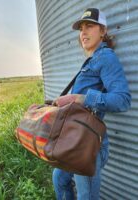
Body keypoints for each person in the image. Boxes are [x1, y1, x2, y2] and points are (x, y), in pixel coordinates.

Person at [52, 8, 131, 200]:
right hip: (75, 138)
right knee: (59, 179)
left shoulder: (106, 57)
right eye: (81, 28)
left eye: (89, 26)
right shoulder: (92, 60)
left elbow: (123, 100)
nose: (83, 32)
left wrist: (80, 98)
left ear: (102, 31)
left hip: (88, 144)